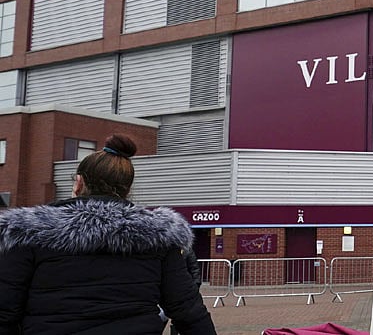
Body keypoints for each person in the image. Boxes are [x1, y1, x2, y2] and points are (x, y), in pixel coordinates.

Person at [0, 134, 216, 335]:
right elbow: (188, 310)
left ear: (79, 183)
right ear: (127, 189)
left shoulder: (28, 231)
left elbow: (5, 309)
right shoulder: (160, 237)